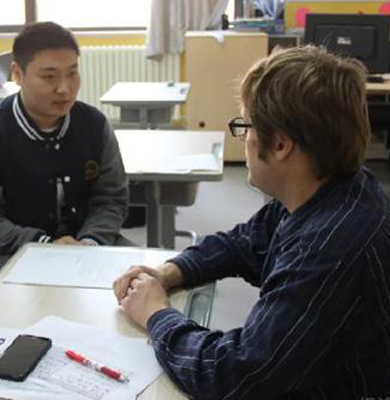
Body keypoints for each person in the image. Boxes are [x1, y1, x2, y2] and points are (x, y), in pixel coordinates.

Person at [113, 46, 390, 399]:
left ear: (281, 144)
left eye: (245, 126)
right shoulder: (331, 188)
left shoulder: (330, 250)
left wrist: (155, 313)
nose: (243, 139)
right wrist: (168, 272)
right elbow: (244, 243)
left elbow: (234, 375)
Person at [0, 22, 129, 290]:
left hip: (84, 243)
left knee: (138, 288)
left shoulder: (94, 125)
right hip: (3, 250)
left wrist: (90, 241)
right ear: (18, 74)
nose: (64, 88)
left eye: (72, 73)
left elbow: (111, 199)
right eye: (49, 76)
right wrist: (45, 244)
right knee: (22, 307)